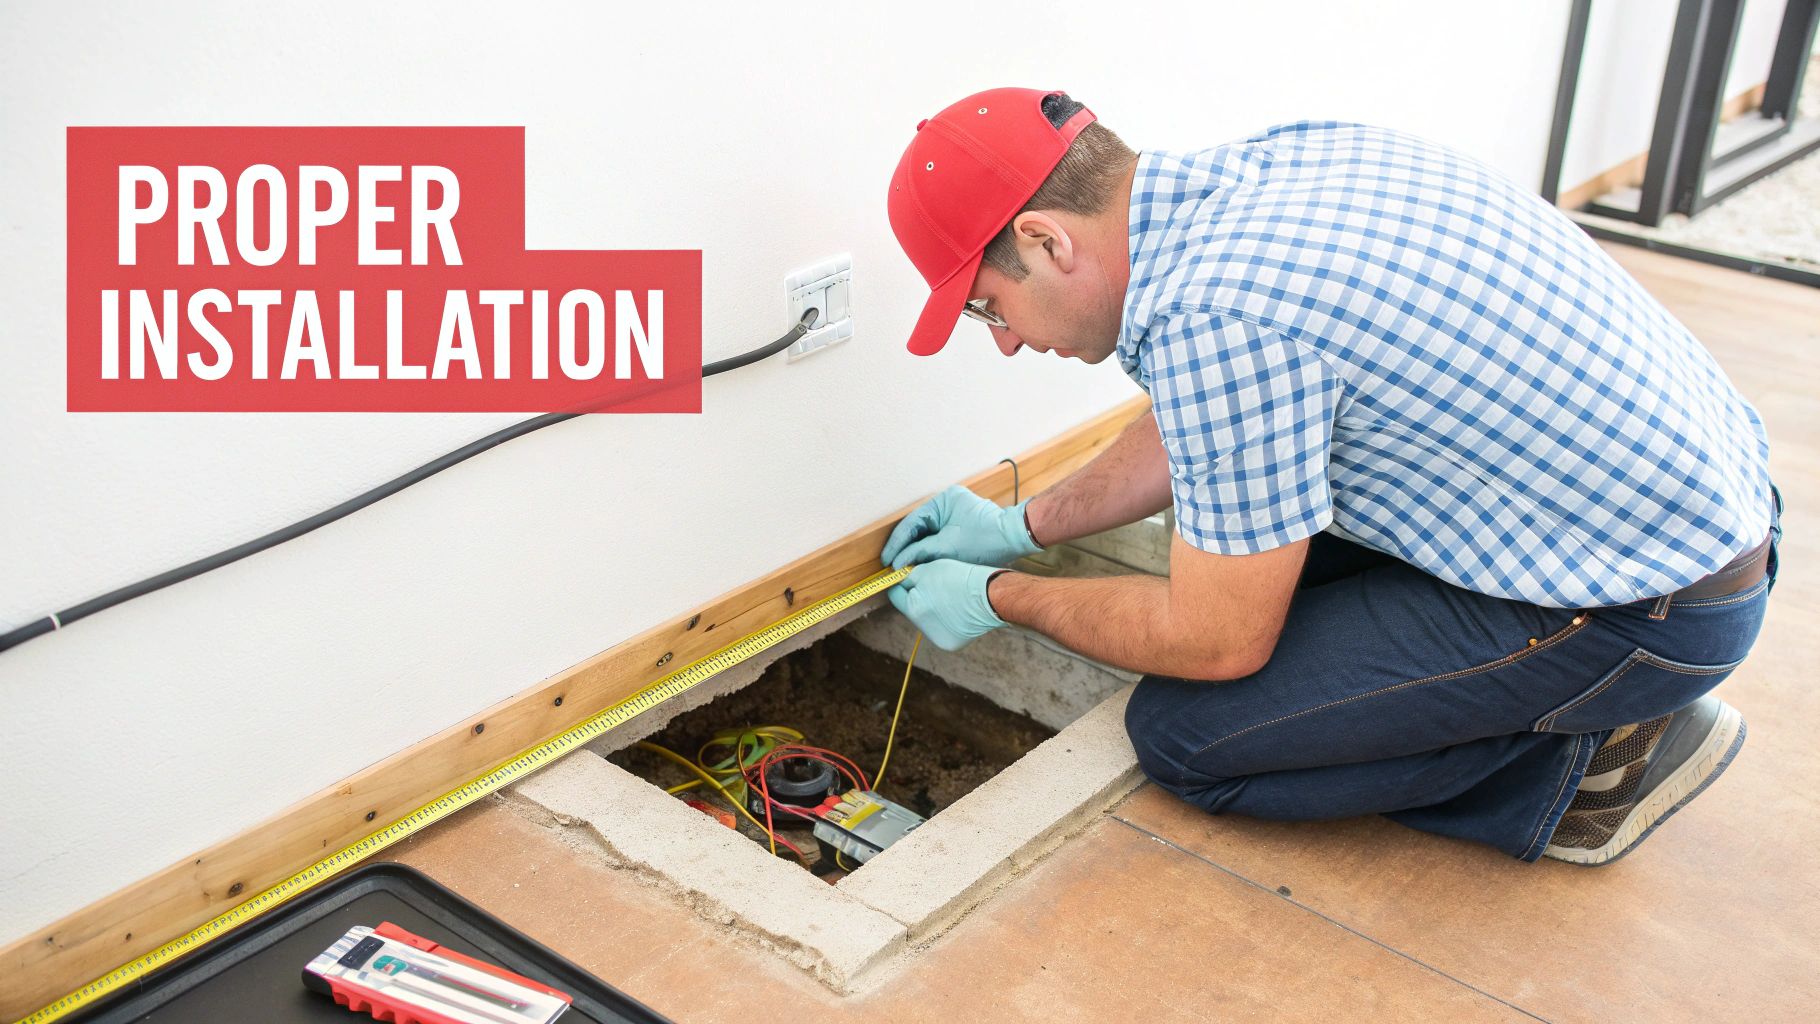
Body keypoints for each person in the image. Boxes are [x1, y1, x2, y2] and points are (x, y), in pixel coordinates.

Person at [877, 87, 1781, 865]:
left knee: (1188, 736)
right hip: (1692, 515)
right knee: (1268, 572)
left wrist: (999, 595)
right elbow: (1205, 423)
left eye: (990, 307)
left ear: (1044, 240)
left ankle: (1586, 767)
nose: (1003, 340)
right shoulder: (1277, 167)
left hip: (1653, 608)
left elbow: (1217, 641)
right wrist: (1025, 526)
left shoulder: (1216, 318)